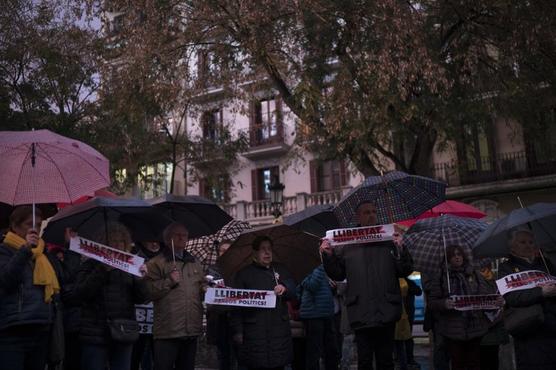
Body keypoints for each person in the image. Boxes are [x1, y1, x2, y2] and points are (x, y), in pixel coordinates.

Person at [320, 201, 413, 370]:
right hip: (360, 311)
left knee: (386, 361)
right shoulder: (347, 242)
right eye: (367, 212)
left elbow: (405, 270)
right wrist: (328, 256)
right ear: (358, 217)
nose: (371, 215)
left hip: (386, 310)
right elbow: (338, 273)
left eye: (374, 212)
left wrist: (401, 247)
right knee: (364, 361)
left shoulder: (388, 239)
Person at [74, 222, 148, 370]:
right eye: (113, 241)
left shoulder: (131, 267)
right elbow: (80, 293)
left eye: (121, 241)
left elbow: (142, 298)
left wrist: (141, 280)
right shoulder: (89, 265)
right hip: (95, 333)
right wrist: (103, 270)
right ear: (103, 243)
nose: (118, 245)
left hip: (123, 331)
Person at [0, 206, 60, 370]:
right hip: (14, 330)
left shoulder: (42, 253)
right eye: (29, 224)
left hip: (40, 327)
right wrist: (25, 250)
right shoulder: (5, 250)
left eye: (39, 225)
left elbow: (61, 281)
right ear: (15, 225)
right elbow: (6, 280)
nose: (35, 229)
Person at [144, 222, 206, 370]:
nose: (181, 238)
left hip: (191, 329)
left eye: (184, 235)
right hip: (168, 331)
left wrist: (206, 289)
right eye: (177, 235)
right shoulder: (155, 263)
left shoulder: (195, 263)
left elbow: (201, 287)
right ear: (167, 239)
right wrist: (169, 281)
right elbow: (148, 292)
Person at [231, 235, 296, 370]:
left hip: (279, 333)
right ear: (255, 252)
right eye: (263, 249)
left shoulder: (280, 270)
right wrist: (238, 331)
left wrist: (285, 287)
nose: (267, 252)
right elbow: (236, 307)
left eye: (269, 249)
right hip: (254, 334)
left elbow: (294, 290)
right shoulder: (244, 274)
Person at [428, 245, 497, 370]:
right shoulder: (441, 276)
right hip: (453, 328)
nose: (457, 257)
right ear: (448, 258)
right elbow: (432, 302)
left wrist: (493, 301)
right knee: (457, 363)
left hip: (475, 325)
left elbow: (485, 294)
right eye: (453, 255)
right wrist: (445, 303)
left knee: (474, 363)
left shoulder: (474, 273)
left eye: (459, 254)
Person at [498, 228, 556, 370]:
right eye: (522, 242)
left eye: (531, 242)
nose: (528, 245)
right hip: (529, 328)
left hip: (552, 324)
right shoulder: (506, 267)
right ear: (512, 246)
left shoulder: (545, 263)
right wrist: (540, 292)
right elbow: (512, 297)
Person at [299, 264, 340, 370]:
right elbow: (312, 285)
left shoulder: (325, 269)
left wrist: (333, 287)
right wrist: (322, 269)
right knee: (314, 350)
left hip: (327, 312)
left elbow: (326, 290)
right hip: (314, 314)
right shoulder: (315, 268)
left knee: (331, 349)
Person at [206, 240, 238, 370]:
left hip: (236, 320)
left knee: (237, 356)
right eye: (222, 250)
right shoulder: (212, 271)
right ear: (219, 253)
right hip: (218, 320)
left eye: (228, 250)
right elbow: (209, 297)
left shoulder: (240, 269)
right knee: (223, 357)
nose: (225, 253)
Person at [131, 240, 162, 370]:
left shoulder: (167, 259)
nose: (154, 244)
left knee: (160, 360)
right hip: (136, 319)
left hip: (159, 319)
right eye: (150, 240)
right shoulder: (132, 257)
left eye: (156, 241)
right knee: (134, 357)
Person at [477, 259, 508, 370]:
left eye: (487, 269)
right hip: (484, 329)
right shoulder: (479, 283)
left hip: (492, 328)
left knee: (491, 359)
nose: (487, 272)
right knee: (488, 360)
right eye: (483, 270)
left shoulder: (494, 282)